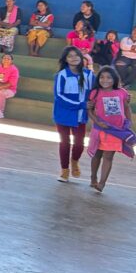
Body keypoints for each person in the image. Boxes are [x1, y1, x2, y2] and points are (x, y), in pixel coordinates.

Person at [88, 66, 135, 193]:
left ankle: (102, 183)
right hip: (100, 129)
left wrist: (129, 121)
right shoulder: (95, 93)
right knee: (97, 155)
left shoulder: (122, 92)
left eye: (109, 77)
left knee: (108, 157)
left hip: (116, 131)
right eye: (102, 77)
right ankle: (93, 177)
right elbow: (90, 110)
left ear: (114, 79)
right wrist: (97, 121)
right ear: (98, 79)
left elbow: (126, 108)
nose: (105, 80)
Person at [53, 45, 93, 183]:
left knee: (79, 143)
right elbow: (59, 96)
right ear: (65, 59)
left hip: (80, 116)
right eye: (70, 56)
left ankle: (74, 160)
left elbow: (97, 92)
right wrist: (80, 105)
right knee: (64, 142)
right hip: (63, 114)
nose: (74, 58)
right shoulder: (61, 75)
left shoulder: (89, 75)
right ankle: (64, 170)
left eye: (76, 55)